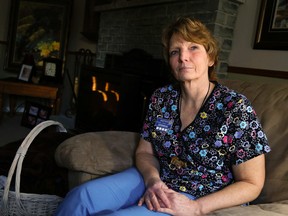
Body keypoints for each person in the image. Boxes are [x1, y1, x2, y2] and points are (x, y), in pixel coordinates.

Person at [54, 17, 271, 216]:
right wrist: (153, 181)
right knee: (80, 197)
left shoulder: (235, 108)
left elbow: (252, 183)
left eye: (193, 48)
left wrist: (196, 208)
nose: (183, 57)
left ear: (211, 58)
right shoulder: (162, 98)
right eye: (175, 51)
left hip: (200, 194)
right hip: (157, 179)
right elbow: (145, 152)